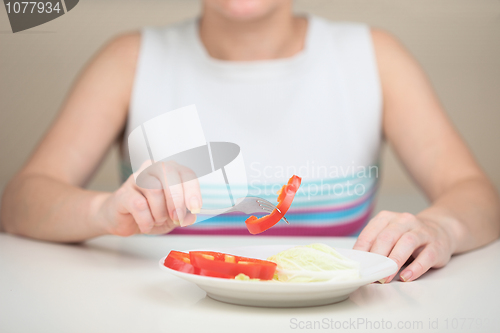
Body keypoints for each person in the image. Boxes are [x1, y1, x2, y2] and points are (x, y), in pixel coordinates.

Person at [1, 0, 499, 284]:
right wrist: (103, 212)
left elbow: (476, 195)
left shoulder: (373, 58)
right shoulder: (128, 59)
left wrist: (441, 228)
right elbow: (20, 202)